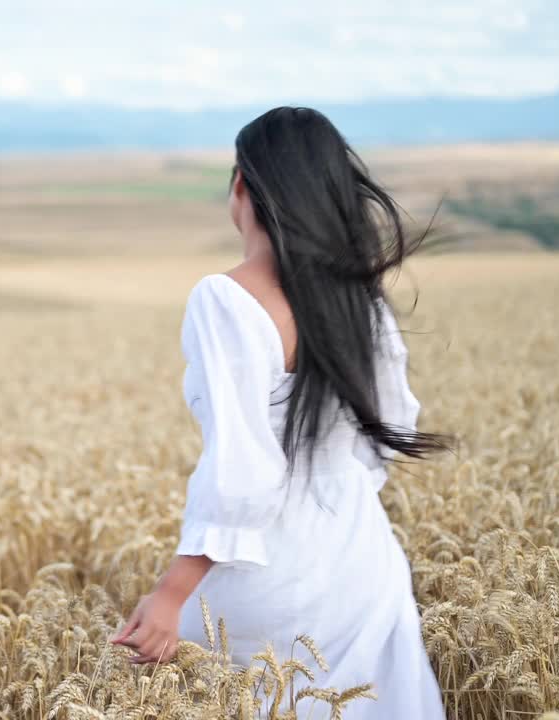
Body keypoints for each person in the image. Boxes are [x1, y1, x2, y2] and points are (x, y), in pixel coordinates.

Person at [109, 106, 450, 717]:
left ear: (242, 184)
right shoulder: (360, 297)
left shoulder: (228, 300)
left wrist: (170, 594)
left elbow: (242, 475)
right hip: (363, 564)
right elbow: (390, 425)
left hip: (272, 578)